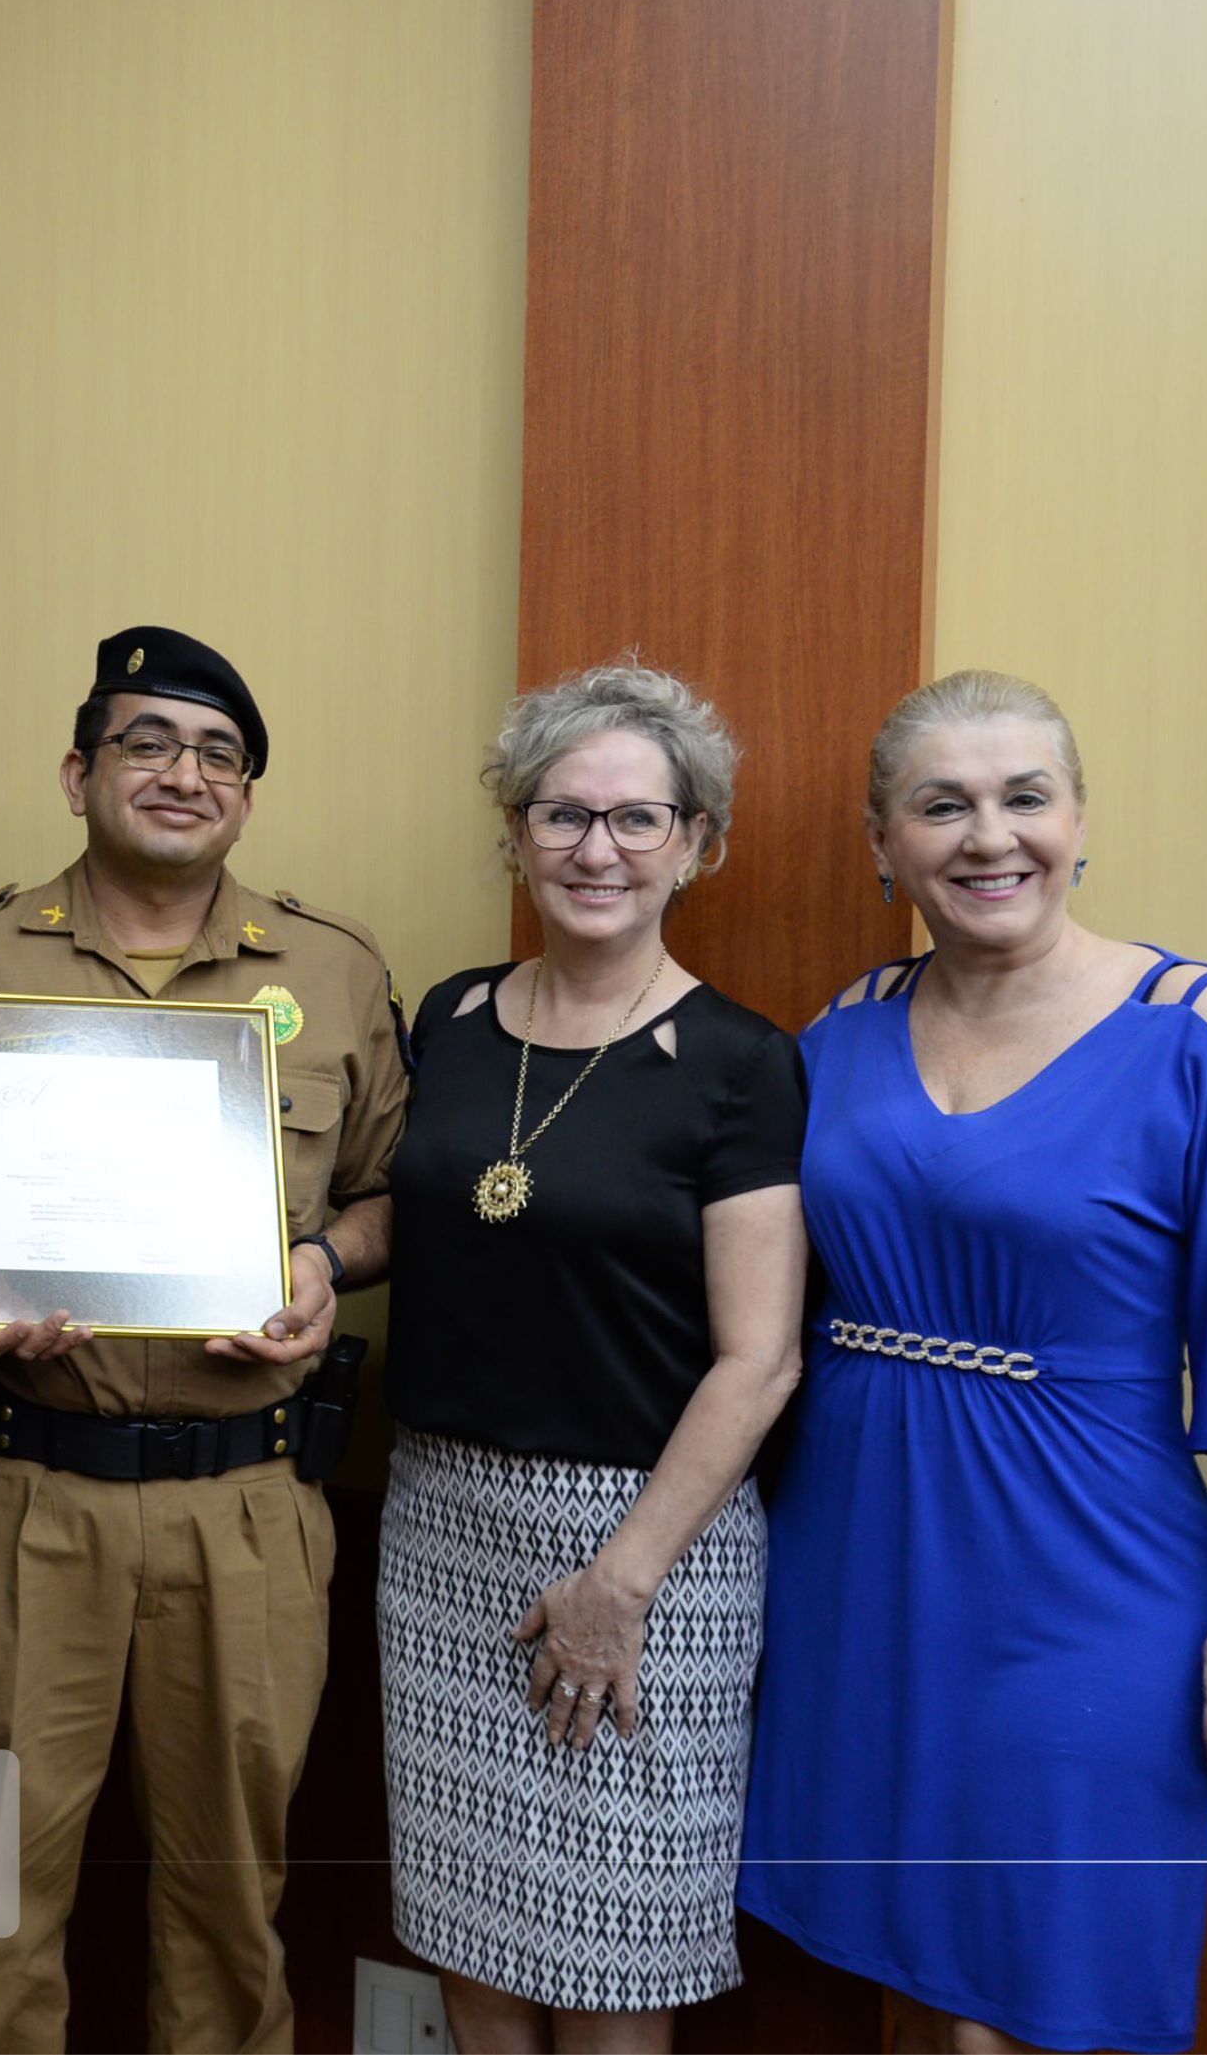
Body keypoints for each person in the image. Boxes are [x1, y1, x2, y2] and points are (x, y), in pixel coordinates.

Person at [741, 670, 1207, 2055]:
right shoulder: (844, 1026)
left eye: (1023, 797)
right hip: (861, 1572)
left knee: (1040, 1999)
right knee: (917, 1977)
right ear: (879, 841)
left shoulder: (1205, 1035)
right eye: (939, 805)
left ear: (1079, 821)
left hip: (1085, 1584)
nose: (986, 836)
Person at [0, 624, 409, 2054]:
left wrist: (319, 1258)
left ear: (247, 798)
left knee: (230, 1913)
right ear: (76, 770)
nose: (182, 772)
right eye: (146, 741)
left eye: (218, 754)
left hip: (248, 1505)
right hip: (32, 1497)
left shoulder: (331, 970)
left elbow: (393, 1193)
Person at [375, 664, 806, 2051]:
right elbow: (411, 1209)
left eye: (636, 818)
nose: (595, 848)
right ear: (512, 832)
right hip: (439, 1521)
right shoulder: (444, 1018)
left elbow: (759, 1358)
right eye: (561, 813)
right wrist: (313, 1266)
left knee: (616, 1958)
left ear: (695, 841)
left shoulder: (742, 1061)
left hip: (645, 1545)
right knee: (467, 1932)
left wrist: (617, 1581)